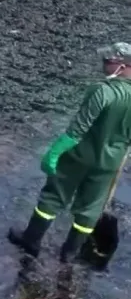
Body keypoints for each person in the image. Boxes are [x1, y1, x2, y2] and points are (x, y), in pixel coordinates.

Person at [9, 43, 131, 263]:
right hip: (110, 162)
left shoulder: (102, 91)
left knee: (53, 197)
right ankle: (70, 253)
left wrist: (54, 152)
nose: (104, 63)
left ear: (123, 66)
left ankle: (31, 240)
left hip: (79, 156)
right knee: (91, 207)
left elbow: (78, 128)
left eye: (109, 61)